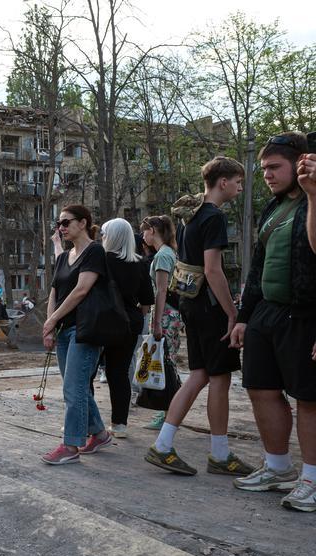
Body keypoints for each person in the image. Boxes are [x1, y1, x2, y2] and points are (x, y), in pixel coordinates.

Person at [145, 156, 255, 477]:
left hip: (191, 305)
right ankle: (218, 455)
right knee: (218, 377)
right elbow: (212, 269)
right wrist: (232, 312)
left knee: (199, 374)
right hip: (209, 307)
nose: (239, 186)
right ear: (223, 182)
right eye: (237, 181)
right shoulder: (214, 218)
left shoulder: (188, 217)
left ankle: (164, 444)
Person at [229, 132, 316, 511]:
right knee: (261, 387)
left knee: (310, 399)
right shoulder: (272, 207)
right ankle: (278, 468)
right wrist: (245, 317)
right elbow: (260, 264)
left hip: (306, 312)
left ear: (300, 162)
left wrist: (314, 193)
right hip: (268, 311)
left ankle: (312, 479)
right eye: (263, 167)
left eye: (274, 166)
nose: (266, 174)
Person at [40, 205, 113, 464]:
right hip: (63, 330)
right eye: (59, 223)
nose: (61, 227)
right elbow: (55, 292)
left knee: (73, 388)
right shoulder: (64, 257)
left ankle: (71, 447)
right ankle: (100, 434)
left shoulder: (94, 251)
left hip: (86, 330)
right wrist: (51, 324)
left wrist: (53, 318)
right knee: (78, 387)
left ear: (83, 223)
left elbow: (82, 290)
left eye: (65, 222)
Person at [97, 219, 154, 439]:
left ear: (110, 236)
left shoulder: (102, 260)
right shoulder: (140, 262)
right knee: (119, 373)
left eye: (104, 233)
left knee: (88, 372)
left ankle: (86, 422)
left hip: (101, 322)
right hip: (129, 323)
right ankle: (119, 424)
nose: (101, 236)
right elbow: (146, 302)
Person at [139, 215, 185, 430]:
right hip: (168, 314)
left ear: (154, 231)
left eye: (145, 231)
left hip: (166, 314)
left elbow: (161, 291)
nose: (143, 235)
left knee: (165, 363)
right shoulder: (167, 253)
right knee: (165, 362)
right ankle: (168, 411)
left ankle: (168, 412)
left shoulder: (163, 256)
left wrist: (156, 323)